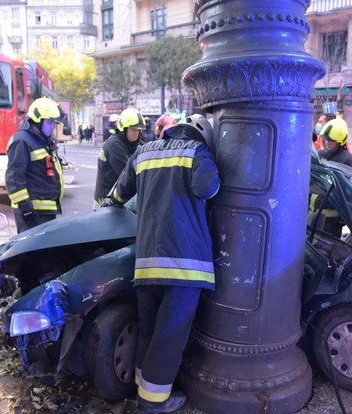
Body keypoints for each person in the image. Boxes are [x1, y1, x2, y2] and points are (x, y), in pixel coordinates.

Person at [108, 114, 220, 414]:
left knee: (148, 330)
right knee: (170, 334)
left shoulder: (143, 153)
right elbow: (207, 188)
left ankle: (141, 388)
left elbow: (118, 195)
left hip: (146, 263)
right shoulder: (197, 152)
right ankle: (154, 402)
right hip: (185, 264)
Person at [5, 97, 66, 233]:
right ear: (37, 120)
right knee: (31, 253)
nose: (52, 127)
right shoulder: (22, 141)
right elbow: (14, 178)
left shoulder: (43, 141)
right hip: (32, 214)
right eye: (50, 122)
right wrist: (25, 209)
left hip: (45, 212)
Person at [93, 107, 145, 207]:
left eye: (138, 130)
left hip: (116, 200)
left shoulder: (131, 144)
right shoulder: (114, 145)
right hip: (105, 202)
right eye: (133, 129)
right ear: (124, 128)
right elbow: (129, 174)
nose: (136, 133)